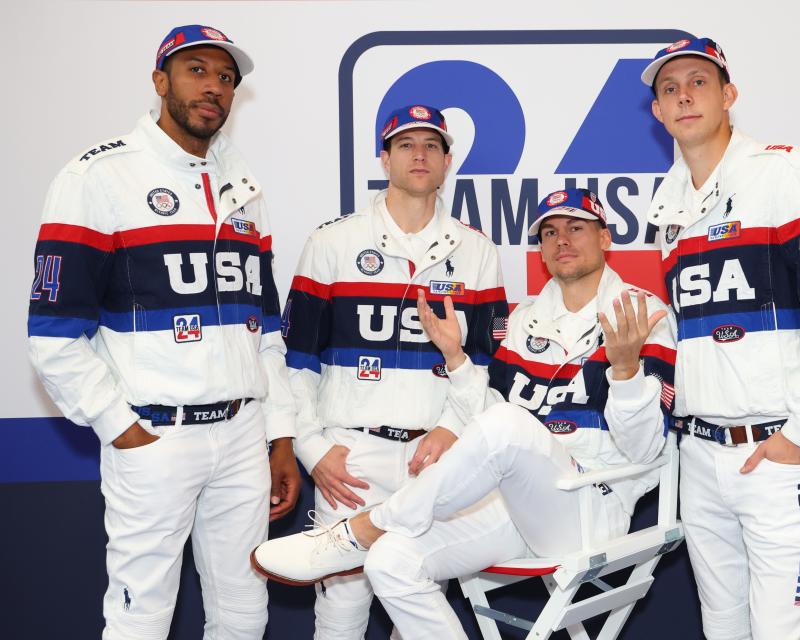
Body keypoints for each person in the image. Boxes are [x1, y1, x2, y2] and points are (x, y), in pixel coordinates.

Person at [253, 188, 677, 639]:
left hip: (592, 506)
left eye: (576, 228)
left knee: (510, 425)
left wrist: (627, 372)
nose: (562, 241)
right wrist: (455, 357)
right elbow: (490, 419)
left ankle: (365, 526)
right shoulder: (522, 320)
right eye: (549, 232)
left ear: (606, 238)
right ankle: (373, 536)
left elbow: (645, 449)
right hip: (518, 505)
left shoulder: (642, 313)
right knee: (391, 561)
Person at [26, 24, 299, 639]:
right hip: (154, 435)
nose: (214, 89)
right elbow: (52, 332)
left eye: (226, 79)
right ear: (160, 82)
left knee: (243, 611)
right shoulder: (96, 176)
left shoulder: (243, 187)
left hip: (240, 436)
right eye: (197, 71)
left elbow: (265, 332)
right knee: (140, 615)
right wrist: (120, 429)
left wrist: (279, 434)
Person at [640, 37, 800, 639]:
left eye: (698, 82)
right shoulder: (667, 204)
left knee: (784, 632)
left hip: (775, 450)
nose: (684, 96)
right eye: (669, 88)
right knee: (722, 628)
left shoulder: (787, 173)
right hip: (699, 454)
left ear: (729, 95)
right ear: (658, 113)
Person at [272, 104, 508, 638]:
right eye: (405, 144)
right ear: (384, 158)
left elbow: (489, 364)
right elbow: (298, 360)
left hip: (436, 456)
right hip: (351, 456)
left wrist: (452, 429)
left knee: (418, 603)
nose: (419, 155)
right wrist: (311, 447)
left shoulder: (477, 251)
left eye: (431, 145)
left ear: (449, 161)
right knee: (341, 609)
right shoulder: (332, 242)